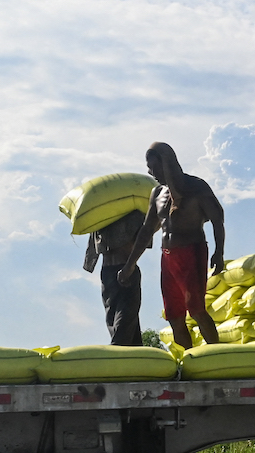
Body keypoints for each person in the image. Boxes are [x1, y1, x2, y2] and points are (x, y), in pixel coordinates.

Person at [119, 143, 225, 350]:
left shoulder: (196, 187)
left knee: (196, 310)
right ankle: (186, 359)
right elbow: (146, 230)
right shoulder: (157, 193)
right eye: (148, 167)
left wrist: (218, 252)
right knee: (174, 315)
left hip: (192, 252)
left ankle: (217, 354)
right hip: (168, 257)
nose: (151, 172)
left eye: (154, 167)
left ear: (167, 164)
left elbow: (217, 219)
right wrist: (130, 264)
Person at [84, 209, 147, 346]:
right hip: (108, 272)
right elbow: (93, 243)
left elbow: (145, 237)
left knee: (124, 320)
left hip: (126, 269)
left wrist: (129, 267)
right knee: (116, 319)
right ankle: (135, 357)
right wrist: (89, 263)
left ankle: (117, 352)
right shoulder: (101, 212)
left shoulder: (132, 211)